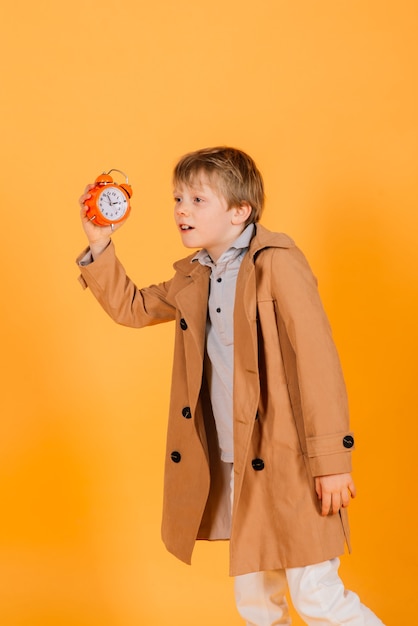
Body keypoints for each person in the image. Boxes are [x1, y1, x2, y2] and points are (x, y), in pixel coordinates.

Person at [76, 146, 384, 625]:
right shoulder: (194, 276)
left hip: (291, 462)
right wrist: (99, 243)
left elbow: (319, 364)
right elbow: (132, 308)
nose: (181, 209)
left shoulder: (277, 264)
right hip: (237, 464)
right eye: (178, 199)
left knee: (317, 596)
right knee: (257, 604)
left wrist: (332, 461)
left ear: (240, 211)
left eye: (198, 200)